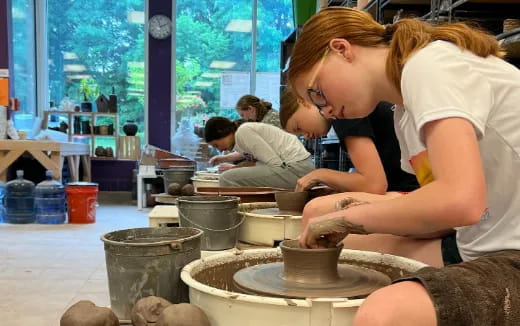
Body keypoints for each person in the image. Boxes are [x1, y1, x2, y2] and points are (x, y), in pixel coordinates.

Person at [288, 6, 520, 326]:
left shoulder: (430, 65)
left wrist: (351, 216)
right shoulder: (403, 112)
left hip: (511, 249)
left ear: (341, 49)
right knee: (341, 244)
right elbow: (441, 217)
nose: (324, 110)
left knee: (385, 314)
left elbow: (459, 202)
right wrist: (350, 218)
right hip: (480, 241)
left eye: (317, 93)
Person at [280, 89, 419, 194]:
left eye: (298, 127)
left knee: (317, 209)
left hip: (416, 191)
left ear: (303, 101)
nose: (306, 136)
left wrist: (320, 174)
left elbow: (374, 184)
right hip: (415, 185)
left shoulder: (341, 112)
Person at [205, 117, 314, 189]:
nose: (219, 150)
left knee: (227, 178)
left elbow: (272, 163)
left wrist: (234, 169)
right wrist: (223, 159)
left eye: (216, 145)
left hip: (297, 170)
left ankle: (237, 217)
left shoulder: (243, 132)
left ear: (221, 132)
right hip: (297, 168)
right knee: (233, 176)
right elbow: (250, 154)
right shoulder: (240, 135)